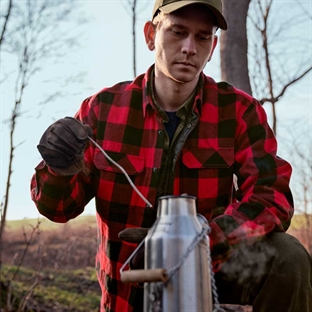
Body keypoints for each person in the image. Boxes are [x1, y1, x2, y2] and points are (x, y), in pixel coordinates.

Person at [30, 0, 312, 311]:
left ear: (213, 45)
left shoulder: (239, 111)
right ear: (151, 35)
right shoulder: (103, 109)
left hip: (212, 274)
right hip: (128, 287)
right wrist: (59, 168)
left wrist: (200, 241)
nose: (190, 48)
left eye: (202, 37)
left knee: (289, 256)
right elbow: (57, 209)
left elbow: (272, 196)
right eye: (177, 32)